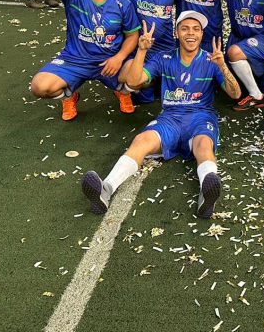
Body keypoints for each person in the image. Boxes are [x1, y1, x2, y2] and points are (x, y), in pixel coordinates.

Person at [80, 11, 242, 219]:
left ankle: (207, 193)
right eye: (185, 28)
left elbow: (235, 94)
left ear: (202, 34)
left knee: (203, 145)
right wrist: (140, 51)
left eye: (196, 29)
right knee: (141, 140)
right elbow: (133, 82)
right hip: (170, 118)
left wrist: (222, 66)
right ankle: (106, 189)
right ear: (177, 33)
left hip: (200, 117)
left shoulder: (212, 60)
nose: (190, 34)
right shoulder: (163, 58)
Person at [27, 0, 140, 121]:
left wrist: (119, 57)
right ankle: (69, 96)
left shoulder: (123, 4)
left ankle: (122, 91)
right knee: (40, 86)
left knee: (137, 79)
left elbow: (132, 36)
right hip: (75, 59)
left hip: (109, 61)